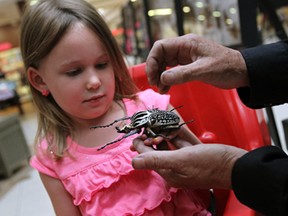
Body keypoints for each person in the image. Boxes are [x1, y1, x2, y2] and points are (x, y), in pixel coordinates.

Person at [22, 1, 212, 215]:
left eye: (102, 64)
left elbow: (209, 177)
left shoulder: (151, 107)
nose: (94, 81)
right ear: (39, 80)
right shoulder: (52, 156)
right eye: (74, 71)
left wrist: (174, 144)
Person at [131, 33, 288, 216]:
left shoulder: (152, 102)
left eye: (102, 65)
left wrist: (228, 169)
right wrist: (241, 64)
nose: (94, 82)